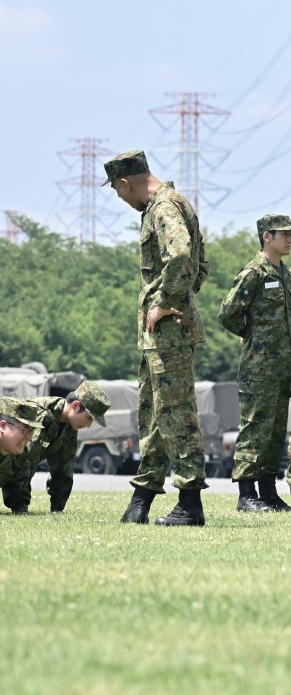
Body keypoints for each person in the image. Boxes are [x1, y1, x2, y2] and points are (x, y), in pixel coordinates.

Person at [104, 149, 211, 527]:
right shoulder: (173, 203)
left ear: (124, 182)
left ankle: (190, 504)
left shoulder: (163, 207)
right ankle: (142, 498)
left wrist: (166, 302)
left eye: (118, 192)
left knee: (176, 413)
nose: (120, 198)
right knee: (153, 413)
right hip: (162, 333)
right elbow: (202, 266)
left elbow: (182, 255)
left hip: (169, 330)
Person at [219, 213, 291, 512]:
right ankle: (246, 495)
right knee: (254, 429)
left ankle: (268, 492)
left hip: (283, 368)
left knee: (275, 433)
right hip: (258, 369)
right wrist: (251, 337)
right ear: (267, 237)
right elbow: (228, 312)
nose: (289, 238)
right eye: (284, 233)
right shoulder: (254, 273)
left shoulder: (284, 274)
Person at [0, 380, 112, 514]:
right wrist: (20, 508)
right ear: (75, 406)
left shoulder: (69, 426)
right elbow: (22, 462)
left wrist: (57, 509)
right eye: (88, 418)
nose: (88, 425)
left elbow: (63, 468)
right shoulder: (40, 414)